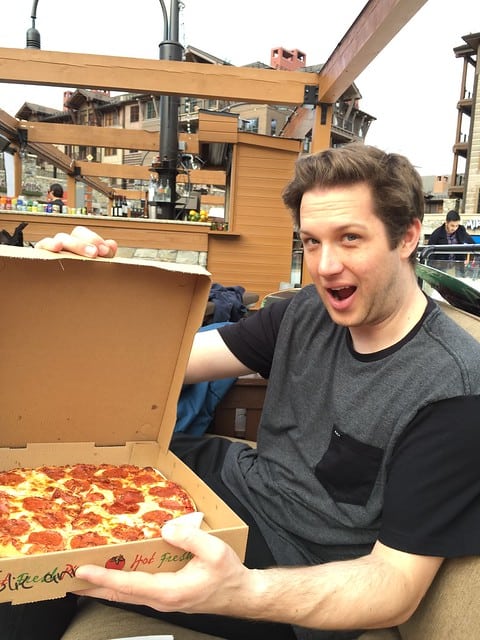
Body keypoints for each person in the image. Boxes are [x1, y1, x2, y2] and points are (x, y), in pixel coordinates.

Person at [7, 144, 480, 640]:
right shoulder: (306, 311)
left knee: (39, 567)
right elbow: (159, 366)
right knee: (45, 478)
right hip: (231, 482)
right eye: (312, 242)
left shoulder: (451, 388)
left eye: (350, 239)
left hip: (291, 562)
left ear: (406, 237)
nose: (324, 266)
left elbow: (394, 587)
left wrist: (237, 592)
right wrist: (78, 291)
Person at [427, 209, 475, 275]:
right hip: (441, 265)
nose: (455, 228)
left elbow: (472, 243)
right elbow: (429, 253)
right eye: (452, 225)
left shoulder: (461, 230)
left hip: (458, 263)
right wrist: (431, 270)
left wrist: (468, 258)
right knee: (441, 283)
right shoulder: (437, 234)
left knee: (460, 281)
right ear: (446, 223)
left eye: (457, 225)